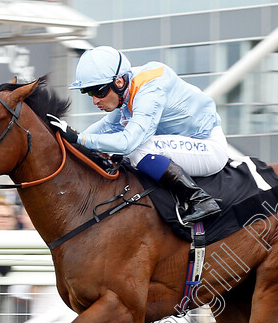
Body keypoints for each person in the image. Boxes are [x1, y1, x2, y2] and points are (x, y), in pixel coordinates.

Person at [48, 46, 222, 223]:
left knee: (137, 150)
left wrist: (79, 138)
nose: (95, 100)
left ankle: (199, 199)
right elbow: (107, 126)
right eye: (89, 93)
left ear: (119, 82)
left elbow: (127, 143)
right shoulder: (127, 89)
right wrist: (67, 138)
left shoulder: (149, 91)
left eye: (99, 91)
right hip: (185, 142)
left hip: (207, 146)